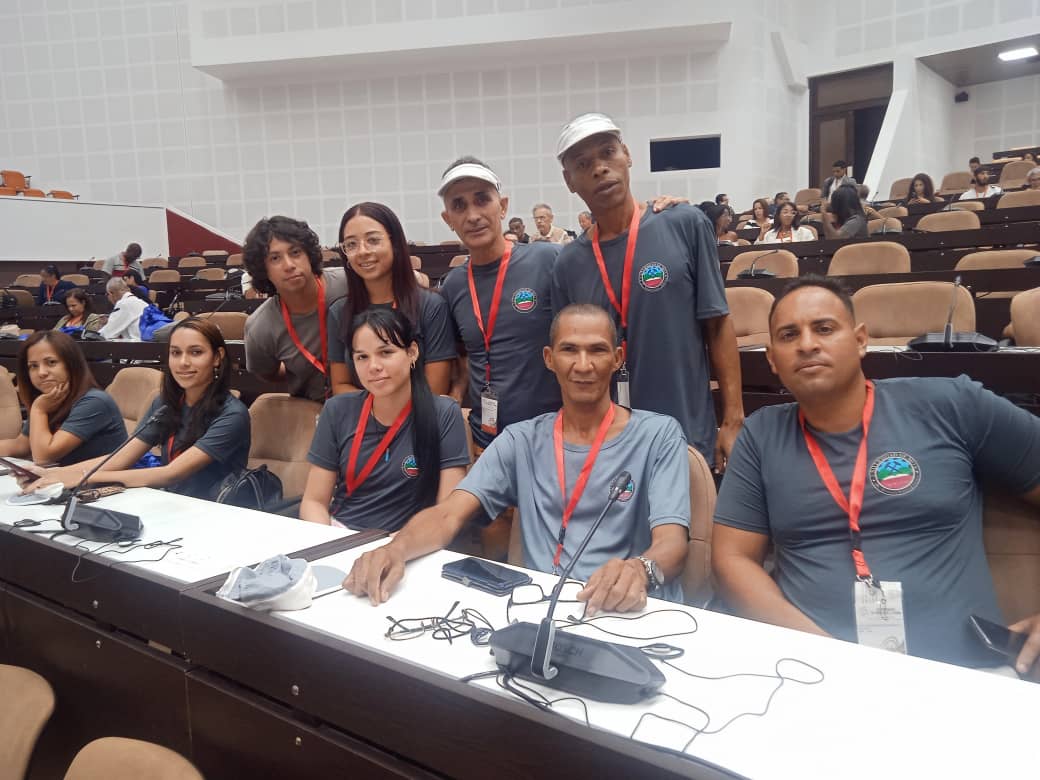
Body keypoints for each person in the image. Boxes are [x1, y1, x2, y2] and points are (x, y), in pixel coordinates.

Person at [711, 275, 1040, 674]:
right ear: (772, 360)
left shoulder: (951, 405)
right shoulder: (761, 436)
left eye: (825, 328)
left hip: (964, 675)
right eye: (788, 335)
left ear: (861, 340)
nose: (807, 344)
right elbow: (732, 560)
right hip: (814, 674)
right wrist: (830, 658)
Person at [343, 304, 691, 612]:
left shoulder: (658, 435)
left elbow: (672, 542)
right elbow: (448, 513)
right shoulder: (521, 439)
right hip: (538, 609)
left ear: (617, 359)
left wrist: (639, 569)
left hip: (620, 608)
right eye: (569, 350)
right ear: (549, 359)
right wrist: (396, 548)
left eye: (597, 351)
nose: (583, 365)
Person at [551, 112, 744, 470]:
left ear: (626, 154)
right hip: (607, 447)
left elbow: (717, 325)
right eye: (583, 163)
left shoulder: (684, 223)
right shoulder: (568, 264)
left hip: (686, 437)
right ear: (569, 180)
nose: (599, 169)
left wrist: (732, 420)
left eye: (608, 153)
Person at [23, 318, 251, 499]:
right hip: (171, 503)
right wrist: (53, 474)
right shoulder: (165, 404)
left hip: (216, 511)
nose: (183, 363)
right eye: (175, 353)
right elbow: (120, 457)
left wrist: (78, 478)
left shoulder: (233, 414)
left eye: (195, 352)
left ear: (217, 357)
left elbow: (170, 474)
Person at [300, 308, 470, 531]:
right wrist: (328, 542)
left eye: (386, 352)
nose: (374, 367)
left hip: (408, 542)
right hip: (340, 535)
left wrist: (396, 547)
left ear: (412, 353)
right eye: (362, 357)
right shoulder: (337, 409)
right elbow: (314, 501)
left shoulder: (443, 413)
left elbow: (446, 513)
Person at [437, 156, 563, 451]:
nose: (472, 215)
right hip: (487, 443)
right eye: (459, 205)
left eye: (482, 200)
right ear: (448, 220)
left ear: (502, 206)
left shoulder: (548, 261)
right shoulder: (453, 286)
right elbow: (463, 358)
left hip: (553, 440)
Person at [327, 202, 455, 397]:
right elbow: (341, 386)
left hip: (419, 421)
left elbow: (435, 389)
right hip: (363, 423)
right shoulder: (340, 312)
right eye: (351, 244)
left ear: (394, 244)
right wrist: (378, 414)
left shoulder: (430, 306)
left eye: (373, 240)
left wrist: (389, 411)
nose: (362, 251)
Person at [242, 216, 348, 402]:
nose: (289, 265)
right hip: (310, 409)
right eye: (275, 258)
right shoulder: (259, 328)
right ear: (263, 269)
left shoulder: (349, 285)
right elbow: (268, 373)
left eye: (296, 252)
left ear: (309, 255)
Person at [0, 331, 124, 466]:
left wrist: (38, 410)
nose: (41, 372)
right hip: (64, 481)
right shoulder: (50, 399)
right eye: (33, 366)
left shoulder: (94, 402)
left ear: (71, 364)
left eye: (51, 362)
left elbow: (44, 457)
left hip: (102, 485)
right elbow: (21, 445)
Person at [99, 277, 149, 341]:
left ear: (111, 293)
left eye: (107, 294)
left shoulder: (123, 304)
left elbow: (107, 333)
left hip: (139, 345)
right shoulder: (142, 302)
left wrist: (91, 334)